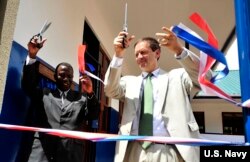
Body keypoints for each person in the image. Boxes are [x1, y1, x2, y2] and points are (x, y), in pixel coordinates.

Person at [104, 27, 212, 162]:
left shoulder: (177, 77)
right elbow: (109, 89)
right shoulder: (129, 82)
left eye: (143, 52)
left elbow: (206, 77)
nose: (139, 57)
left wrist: (179, 50)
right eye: (136, 54)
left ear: (157, 53)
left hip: (169, 151)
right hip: (133, 151)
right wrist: (118, 54)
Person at [18, 35, 100, 162]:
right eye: (62, 75)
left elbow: (93, 115)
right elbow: (28, 86)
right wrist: (32, 55)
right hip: (42, 153)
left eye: (69, 76)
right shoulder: (44, 94)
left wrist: (90, 93)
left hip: (70, 155)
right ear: (55, 77)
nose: (66, 79)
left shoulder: (82, 98)